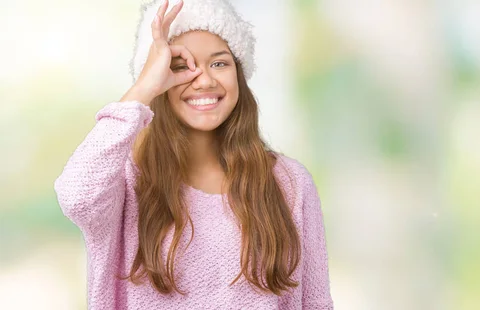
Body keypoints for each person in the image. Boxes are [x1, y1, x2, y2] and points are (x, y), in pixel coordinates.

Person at [53, 0, 333, 308]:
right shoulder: (124, 181)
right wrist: (144, 87)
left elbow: (315, 301)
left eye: (219, 63)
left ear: (239, 75)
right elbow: (76, 194)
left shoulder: (288, 182)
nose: (205, 80)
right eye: (181, 66)